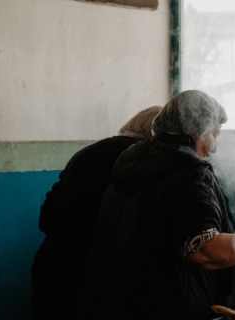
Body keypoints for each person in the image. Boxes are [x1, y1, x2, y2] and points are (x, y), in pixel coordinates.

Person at [74, 90, 235, 320]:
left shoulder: (130, 166)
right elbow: (205, 250)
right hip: (162, 308)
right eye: (214, 135)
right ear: (199, 133)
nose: (214, 148)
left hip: (109, 303)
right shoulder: (189, 174)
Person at [31, 105, 163, 320]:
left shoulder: (85, 153)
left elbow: (46, 216)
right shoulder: (138, 162)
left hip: (52, 262)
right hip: (90, 274)